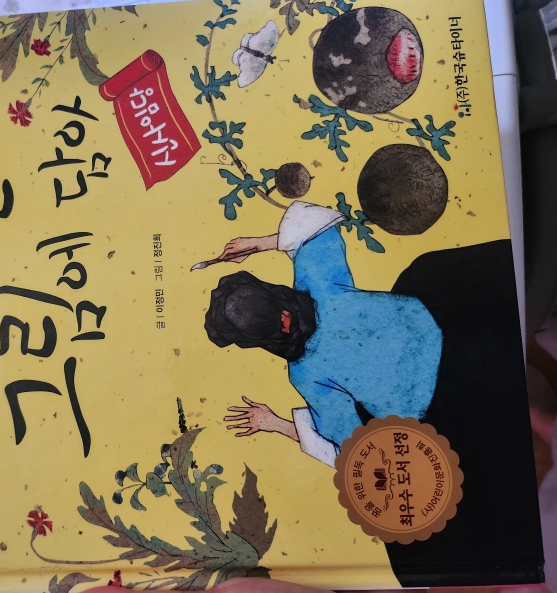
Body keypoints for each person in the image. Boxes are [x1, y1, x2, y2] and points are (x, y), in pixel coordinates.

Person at [202, 200, 543, 587]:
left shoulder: (306, 367)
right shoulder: (315, 285)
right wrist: (262, 243)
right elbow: (316, 229)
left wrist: (276, 423)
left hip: (452, 397)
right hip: (455, 349)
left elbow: (349, 447)